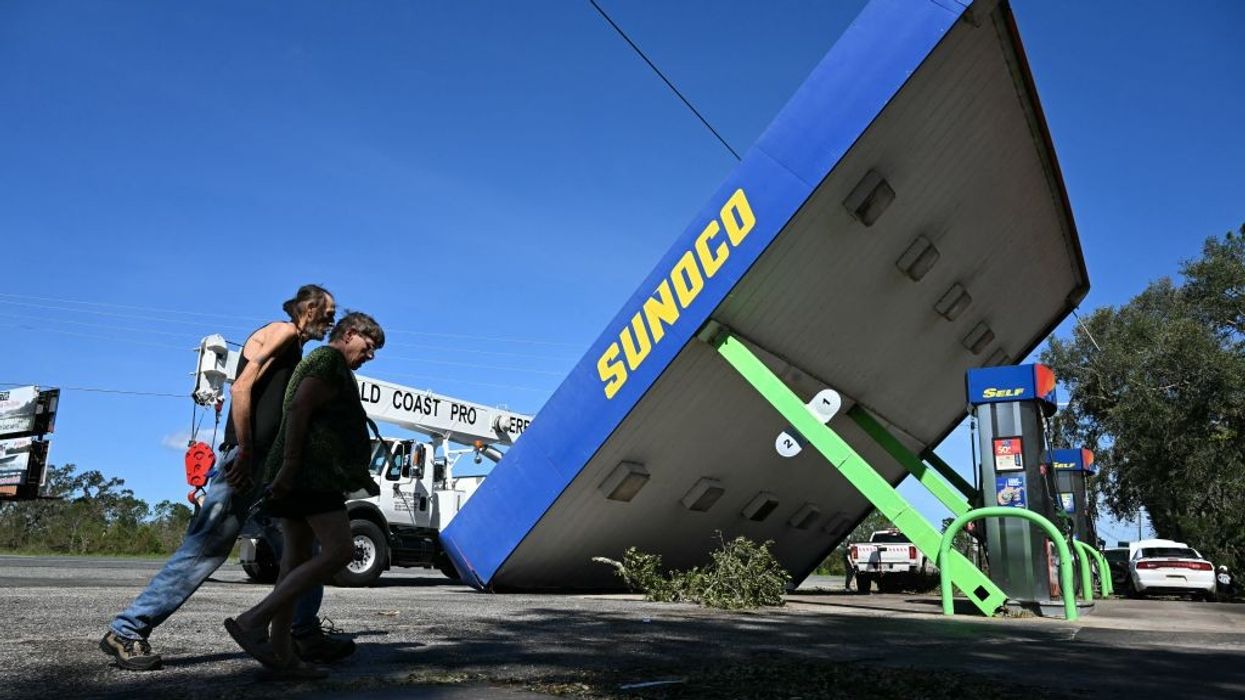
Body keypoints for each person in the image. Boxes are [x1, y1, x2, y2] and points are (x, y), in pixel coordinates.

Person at [101, 285, 351, 671]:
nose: (332, 319)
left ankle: (304, 633)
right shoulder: (282, 333)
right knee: (206, 548)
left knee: (301, 553)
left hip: (266, 468)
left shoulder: (294, 347)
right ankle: (127, 630)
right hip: (247, 464)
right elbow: (241, 386)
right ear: (311, 307)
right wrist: (245, 450)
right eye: (329, 311)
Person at [225, 312, 383, 678]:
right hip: (311, 473)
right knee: (341, 550)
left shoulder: (325, 364)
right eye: (369, 346)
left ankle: (284, 654)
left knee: (294, 562)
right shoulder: (328, 359)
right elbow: (299, 408)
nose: (370, 355)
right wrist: (293, 465)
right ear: (350, 334)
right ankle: (253, 620)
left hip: (301, 473)